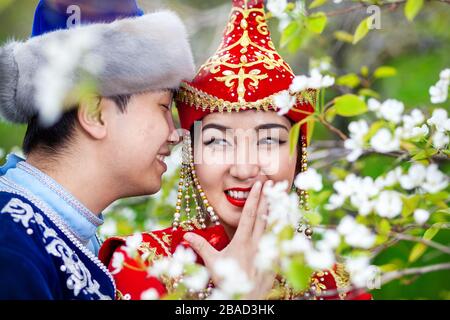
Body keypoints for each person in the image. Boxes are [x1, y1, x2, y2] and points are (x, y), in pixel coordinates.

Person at [99, 0, 371, 300]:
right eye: (217, 141)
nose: (243, 169)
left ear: (298, 156)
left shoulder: (339, 286)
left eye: (268, 141)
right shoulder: (141, 265)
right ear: (192, 156)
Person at [0, 0, 195, 299]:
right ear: (95, 114)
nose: (174, 133)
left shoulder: (59, 235)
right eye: (163, 107)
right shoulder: (11, 247)